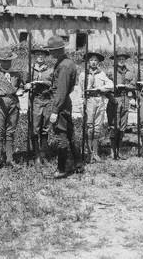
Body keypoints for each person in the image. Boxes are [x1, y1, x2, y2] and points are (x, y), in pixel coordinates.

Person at [46, 35, 83, 178]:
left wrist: (55, 110)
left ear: (57, 50)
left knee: (61, 135)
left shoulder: (64, 65)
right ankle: (78, 163)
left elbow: (61, 90)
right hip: (64, 102)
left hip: (60, 103)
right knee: (70, 133)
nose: (50, 53)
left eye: (51, 50)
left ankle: (61, 169)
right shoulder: (66, 62)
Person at [0, 49, 24, 170]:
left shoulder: (17, 74)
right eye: (3, 61)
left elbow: (21, 86)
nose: (6, 63)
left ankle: (10, 159)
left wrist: (21, 90)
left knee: (10, 132)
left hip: (13, 104)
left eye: (8, 61)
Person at [78, 51, 114, 162]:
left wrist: (101, 89)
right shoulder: (83, 74)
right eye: (91, 60)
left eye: (95, 60)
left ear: (98, 62)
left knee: (97, 127)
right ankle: (89, 153)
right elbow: (80, 90)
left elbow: (111, 85)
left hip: (100, 99)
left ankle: (95, 152)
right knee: (89, 126)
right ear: (88, 62)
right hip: (89, 100)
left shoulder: (101, 74)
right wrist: (81, 103)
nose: (93, 62)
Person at [24, 46, 53, 165]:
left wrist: (46, 83)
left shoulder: (50, 70)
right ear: (34, 56)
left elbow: (54, 84)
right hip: (35, 99)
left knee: (45, 127)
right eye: (37, 54)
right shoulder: (29, 69)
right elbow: (24, 85)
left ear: (45, 56)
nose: (40, 56)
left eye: (42, 54)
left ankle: (44, 154)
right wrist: (27, 86)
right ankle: (36, 155)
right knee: (35, 127)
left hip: (47, 100)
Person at [106, 53, 135, 159]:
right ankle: (112, 151)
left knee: (122, 125)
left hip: (125, 99)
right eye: (119, 59)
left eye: (123, 58)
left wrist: (127, 87)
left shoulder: (129, 72)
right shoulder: (110, 72)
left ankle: (119, 150)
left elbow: (133, 86)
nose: (121, 60)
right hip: (115, 99)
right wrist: (111, 97)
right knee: (114, 124)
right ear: (115, 60)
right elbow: (105, 87)